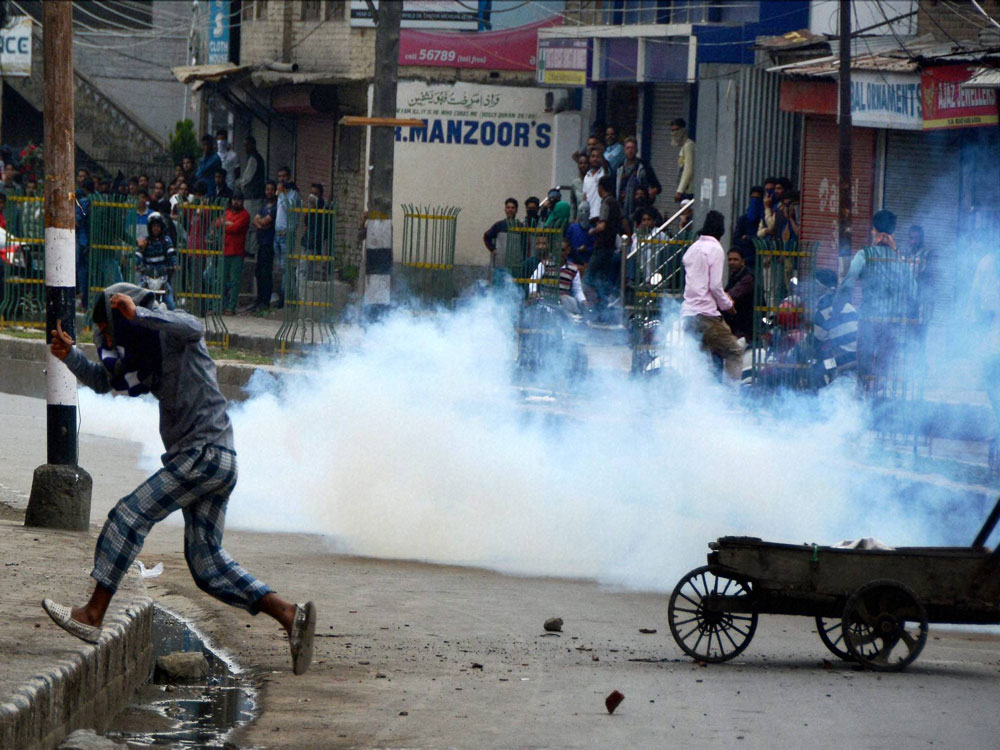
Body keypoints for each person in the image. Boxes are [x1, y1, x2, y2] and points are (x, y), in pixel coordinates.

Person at [43, 283, 316, 675]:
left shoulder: (176, 337)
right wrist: (70, 356)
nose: (107, 340)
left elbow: (192, 325)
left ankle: (92, 614)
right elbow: (109, 381)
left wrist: (139, 314)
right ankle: (290, 615)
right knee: (206, 564)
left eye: (109, 330)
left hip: (202, 455)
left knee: (128, 516)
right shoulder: (150, 362)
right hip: (216, 461)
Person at [836, 209, 915, 388]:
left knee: (864, 363)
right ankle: (879, 397)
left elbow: (847, 284)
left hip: (869, 318)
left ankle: (863, 396)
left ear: (873, 230)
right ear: (893, 233)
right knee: (884, 365)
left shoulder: (864, 255)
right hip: (892, 320)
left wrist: (837, 308)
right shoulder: (899, 259)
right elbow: (913, 290)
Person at [680, 210, 743, 382]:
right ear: (721, 230)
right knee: (734, 352)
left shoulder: (692, 249)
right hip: (706, 315)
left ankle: (702, 400)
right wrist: (727, 305)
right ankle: (730, 400)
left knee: (700, 360)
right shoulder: (715, 248)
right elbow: (715, 286)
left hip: (688, 315)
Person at [585, 175, 621, 316]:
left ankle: (604, 301)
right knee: (601, 278)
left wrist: (592, 231)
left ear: (600, 188)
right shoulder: (616, 203)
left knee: (589, 277)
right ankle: (603, 308)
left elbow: (602, 225)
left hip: (602, 246)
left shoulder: (606, 203)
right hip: (610, 246)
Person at [135, 212, 177, 310]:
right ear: (150, 228)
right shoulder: (146, 241)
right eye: (153, 226)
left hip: (162, 277)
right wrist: (136, 263)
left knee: (171, 304)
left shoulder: (166, 240)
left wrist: (174, 264)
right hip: (147, 277)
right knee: (137, 299)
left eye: (158, 226)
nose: (156, 228)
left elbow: (171, 253)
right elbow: (139, 255)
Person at [274, 167, 302, 309]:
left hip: (287, 234)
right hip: (277, 234)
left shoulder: (293, 195)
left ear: (289, 177)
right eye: (279, 176)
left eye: (284, 176)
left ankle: (285, 298)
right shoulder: (280, 194)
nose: (281, 179)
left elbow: (288, 209)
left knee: (287, 268)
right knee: (281, 267)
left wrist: (282, 193)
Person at [616, 136, 661, 221]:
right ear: (624, 150)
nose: (630, 150)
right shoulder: (619, 167)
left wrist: (651, 192)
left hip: (640, 210)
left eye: (632, 148)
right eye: (628, 148)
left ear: (636, 150)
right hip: (622, 209)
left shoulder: (644, 166)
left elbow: (657, 187)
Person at [252, 180, 278, 315]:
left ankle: (265, 302)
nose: (269, 192)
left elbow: (266, 222)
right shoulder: (264, 206)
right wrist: (261, 223)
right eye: (267, 189)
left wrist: (261, 223)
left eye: (271, 189)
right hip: (261, 243)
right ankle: (259, 300)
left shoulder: (275, 207)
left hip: (269, 243)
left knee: (266, 273)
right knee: (259, 272)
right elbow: (256, 221)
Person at [222, 191, 250, 314]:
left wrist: (225, 225)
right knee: (222, 280)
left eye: (238, 199)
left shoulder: (245, 215)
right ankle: (222, 305)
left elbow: (236, 228)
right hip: (225, 250)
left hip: (237, 252)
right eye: (234, 199)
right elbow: (217, 223)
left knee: (234, 281)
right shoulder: (227, 212)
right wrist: (227, 224)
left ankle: (231, 307)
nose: (236, 202)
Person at [723, 248, 755, 341]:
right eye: (730, 259)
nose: (732, 262)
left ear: (743, 261)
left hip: (745, 326)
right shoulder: (735, 275)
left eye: (735, 259)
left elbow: (732, 295)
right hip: (736, 323)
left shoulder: (748, 277)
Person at [76, 178, 94, 309]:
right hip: (93, 242)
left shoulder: (83, 202)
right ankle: (86, 301)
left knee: (83, 272)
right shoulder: (97, 201)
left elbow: (77, 221)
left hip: (83, 242)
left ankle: (84, 300)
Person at [483, 198, 519, 262]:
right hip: (500, 263)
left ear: (516, 210)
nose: (510, 210)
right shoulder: (499, 225)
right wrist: (493, 249)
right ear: (505, 210)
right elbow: (486, 236)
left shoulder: (520, 226)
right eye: (508, 207)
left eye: (513, 208)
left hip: (516, 262)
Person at [559, 237, 588, 316]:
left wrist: (583, 301)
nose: (560, 253)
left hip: (564, 305)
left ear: (568, 251)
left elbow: (577, 290)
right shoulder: (545, 264)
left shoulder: (573, 269)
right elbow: (534, 280)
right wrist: (533, 292)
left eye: (562, 250)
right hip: (548, 303)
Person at [670, 118, 695, 202]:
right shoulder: (683, 146)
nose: (674, 133)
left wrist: (680, 191)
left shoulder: (688, 145)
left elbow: (688, 169)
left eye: (676, 130)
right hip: (685, 190)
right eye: (672, 130)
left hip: (689, 190)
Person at [583, 148, 606, 224]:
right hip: (588, 217)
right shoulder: (587, 176)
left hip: (600, 216)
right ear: (589, 159)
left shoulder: (604, 173)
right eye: (593, 156)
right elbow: (585, 196)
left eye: (597, 156)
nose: (595, 159)